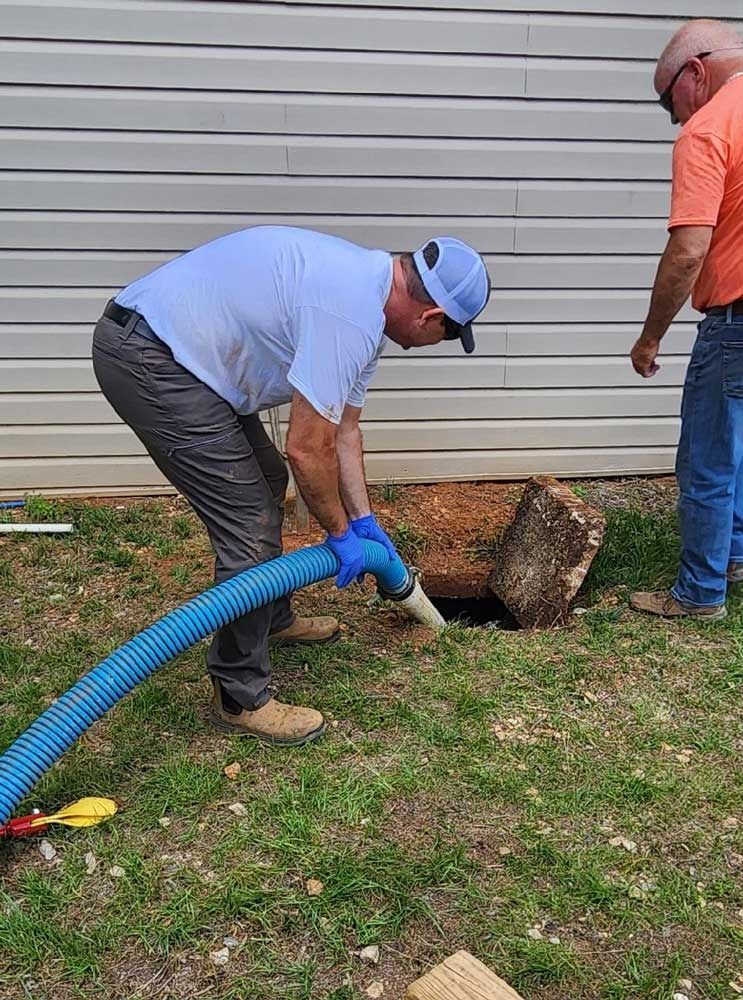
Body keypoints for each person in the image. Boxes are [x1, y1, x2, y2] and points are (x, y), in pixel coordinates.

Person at [92, 226, 491, 742]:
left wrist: (364, 520)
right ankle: (238, 695)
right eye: (448, 335)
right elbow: (307, 448)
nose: (437, 343)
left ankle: (270, 614)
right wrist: (340, 534)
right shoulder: (348, 312)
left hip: (180, 356)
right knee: (250, 525)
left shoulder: (366, 300)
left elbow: (344, 431)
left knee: (266, 481)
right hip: (152, 357)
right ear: (432, 317)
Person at [629, 19, 743, 621]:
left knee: (706, 456)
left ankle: (700, 593)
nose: (674, 117)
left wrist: (650, 337)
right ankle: (734, 554)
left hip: (735, 322)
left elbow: (688, 250)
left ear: (694, 73)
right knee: (740, 445)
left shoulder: (709, 129)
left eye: (669, 98)